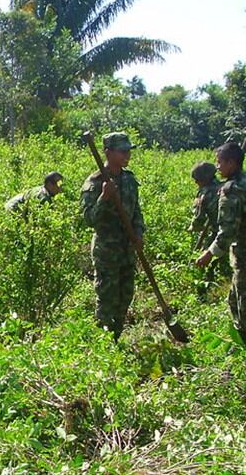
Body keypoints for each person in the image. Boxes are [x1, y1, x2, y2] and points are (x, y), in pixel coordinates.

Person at [196, 142, 246, 366]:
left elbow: (226, 231)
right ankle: (241, 347)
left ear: (232, 163)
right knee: (235, 300)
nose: (218, 166)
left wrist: (209, 254)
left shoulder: (231, 190)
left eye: (220, 161)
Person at [80, 132, 145, 342]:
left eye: (128, 151)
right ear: (108, 153)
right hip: (107, 250)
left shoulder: (129, 179)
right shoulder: (95, 182)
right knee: (107, 298)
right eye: (122, 151)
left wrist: (139, 234)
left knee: (125, 295)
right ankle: (104, 343)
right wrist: (104, 198)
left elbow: (137, 211)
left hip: (127, 249)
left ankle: (116, 336)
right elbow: (89, 219)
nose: (127, 155)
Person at [189, 162, 221, 248]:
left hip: (219, 232)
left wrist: (193, 227)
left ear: (204, 179)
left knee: (206, 253)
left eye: (197, 179)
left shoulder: (205, 194)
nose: (195, 182)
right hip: (236, 231)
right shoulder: (224, 186)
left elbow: (199, 218)